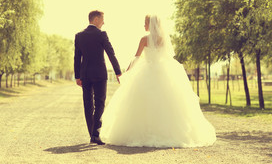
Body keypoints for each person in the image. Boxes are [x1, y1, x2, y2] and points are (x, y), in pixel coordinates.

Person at [100, 15, 216, 147]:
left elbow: (137, 57)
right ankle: (168, 132)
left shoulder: (144, 39)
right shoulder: (164, 39)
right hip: (164, 71)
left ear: (150, 24)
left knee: (142, 102)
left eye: (145, 23)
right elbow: (167, 56)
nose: (144, 25)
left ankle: (144, 132)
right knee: (168, 103)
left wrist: (127, 72)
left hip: (147, 71)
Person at [74, 10, 122, 145]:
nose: (103, 22)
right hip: (100, 74)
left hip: (85, 75)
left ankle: (92, 134)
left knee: (87, 104)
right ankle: (95, 134)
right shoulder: (101, 35)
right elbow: (111, 54)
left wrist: (77, 76)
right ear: (95, 20)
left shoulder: (79, 36)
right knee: (99, 103)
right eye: (102, 19)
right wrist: (118, 72)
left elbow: (77, 58)